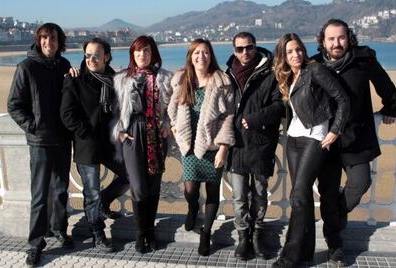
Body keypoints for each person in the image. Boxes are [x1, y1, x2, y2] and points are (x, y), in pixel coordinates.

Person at [313, 19, 396, 266]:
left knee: (361, 183)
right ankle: (335, 246)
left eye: (341, 38)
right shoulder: (315, 64)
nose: (336, 43)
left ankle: (337, 214)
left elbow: (385, 85)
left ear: (348, 38)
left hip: (357, 137)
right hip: (326, 141)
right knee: (328, 192)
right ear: (323, 41)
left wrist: (390, 107)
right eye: (331, 39)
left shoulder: (363, 59)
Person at [271, 33, 349, 268]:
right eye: (290, 52)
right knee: (302, 198)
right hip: (293, 140)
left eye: (299, 50)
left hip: (315, 139)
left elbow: (343, 99)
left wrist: (335, 130)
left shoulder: (315, 71)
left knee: (297, 196)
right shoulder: (289, 77)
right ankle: (305, 252)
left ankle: (290, 256)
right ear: (283, 56)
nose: (296, 55)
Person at [7, 23, 73, 267]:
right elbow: (14, 104)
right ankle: (36, 243)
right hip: (40, 142)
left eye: (53, 39)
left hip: (63, 139)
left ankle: (59, 230)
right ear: (39, 40)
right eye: (45, 38)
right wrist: (32, 126)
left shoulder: (64, 66)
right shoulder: (26, 67)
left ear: (59, 41)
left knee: (60, 190)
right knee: (39, 195)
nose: (49, 43)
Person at [60, 38, 129, 252]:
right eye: (87, 55)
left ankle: (105, 204)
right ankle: (98, 234)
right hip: (87, 145)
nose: (91, 59)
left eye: (96, 55)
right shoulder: (75, 79)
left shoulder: (115, 80)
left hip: (110, 144)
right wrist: (86, 132)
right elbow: (67, 114)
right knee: (92, 193)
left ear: (106, 57)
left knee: (129, 176)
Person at [168, 39, 235, 256]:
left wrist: (224, 147)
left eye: (205, 52)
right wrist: (174, 127)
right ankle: (192, 208)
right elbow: (172, 108)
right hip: (189, 145)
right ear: (190, 56)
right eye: (197, 52)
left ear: (211, 55)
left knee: (213, 192)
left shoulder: (222, 81)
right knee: (190, 190)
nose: (201, 57)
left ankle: (206, 233)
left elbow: (228, 116)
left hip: (213, 145)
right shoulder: (181, 80)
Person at [225, 32, 284, 260]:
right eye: (239, 49)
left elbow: (280, 105)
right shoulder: (227, 74)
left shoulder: (270, 72)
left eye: (248, 47)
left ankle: (258, 234)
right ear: (234, 50)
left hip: (261, 142)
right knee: (239, 196)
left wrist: (256, 118)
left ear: (256, 46)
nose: (244, 53)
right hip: (237, 143)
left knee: (260, 194)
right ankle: (243, 237)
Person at [111, 35, 173, 253]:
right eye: (138, 51)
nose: (142, 55)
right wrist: (118, 131)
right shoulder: (121, 79)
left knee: (153, 184)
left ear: (153, 53)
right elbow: (112, 110)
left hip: (157, 134)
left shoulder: (165, 78)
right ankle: (140, 235)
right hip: (133, 135)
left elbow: (174, 107)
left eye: (146, 51)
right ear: (132, 54)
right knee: (137, 186)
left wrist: (168, 124)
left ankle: (150, 231)